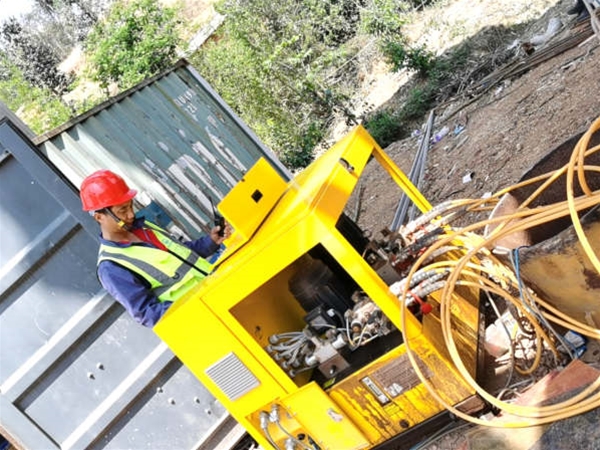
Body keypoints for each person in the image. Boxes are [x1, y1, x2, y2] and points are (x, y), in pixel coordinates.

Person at [80, 169, 230, 327]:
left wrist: (211, 241)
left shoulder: (146, 228)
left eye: (130, 206)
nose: (131, 215)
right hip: (201, 322)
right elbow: (147, 313)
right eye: (122, 211)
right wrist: (197, 304)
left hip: (219, 295)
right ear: (99, 217)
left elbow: (182, 256)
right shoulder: (111, 267)